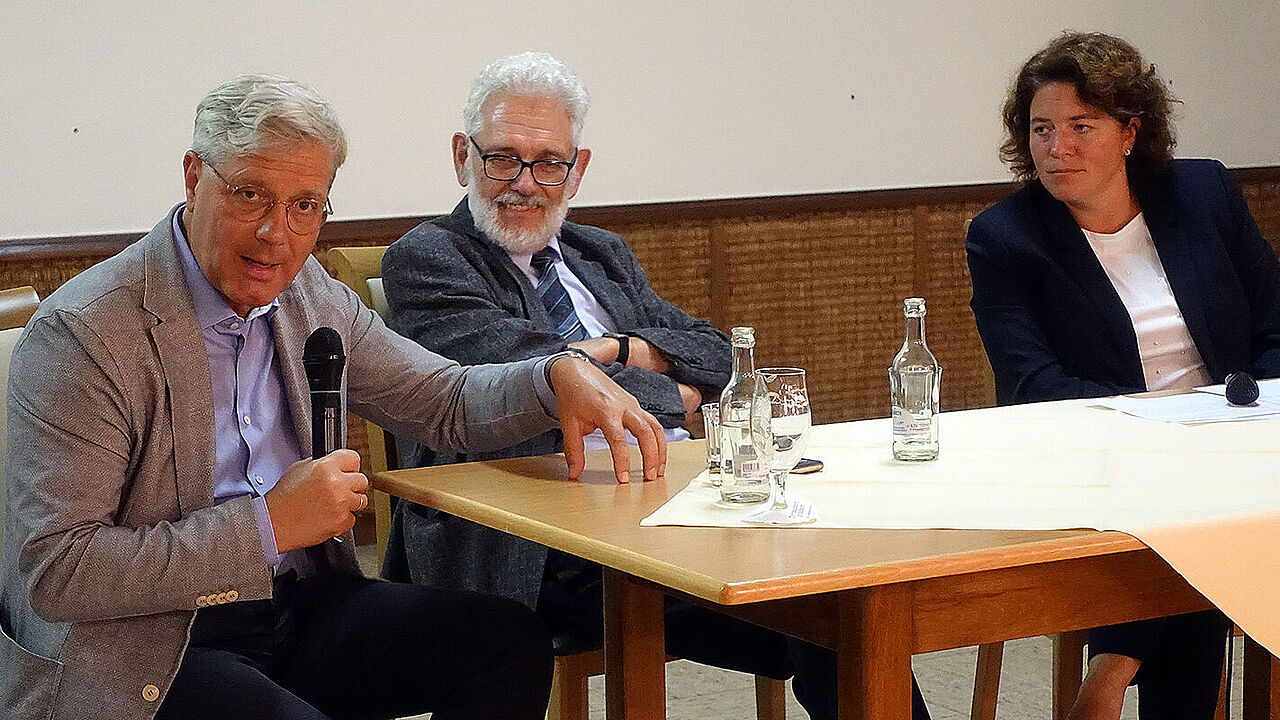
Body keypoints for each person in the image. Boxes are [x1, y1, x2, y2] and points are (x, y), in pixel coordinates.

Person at [0, 73, 668, 720]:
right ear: (193, 177)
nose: (276, 233)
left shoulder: (307, 294)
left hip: (294, 606)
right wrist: (268, 525)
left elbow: (442, 399)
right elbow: (58, 570)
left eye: (304, 206)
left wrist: (553, 376)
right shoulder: (86, 334)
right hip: (148, 645)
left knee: (507, 643)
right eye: (251, 195)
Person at [380, 51, 930, 720]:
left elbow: (723, 355)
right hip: (534, 533)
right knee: (817, 608)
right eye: (503, 159)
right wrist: (677, 393)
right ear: (462, 156)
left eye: (549, 162)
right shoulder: (427, 258)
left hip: (670, 495)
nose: (525, 183)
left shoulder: (600, 252)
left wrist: (623, 347)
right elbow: (538, 380)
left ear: (578, 169)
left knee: (844, 595)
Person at [966, 32, 1280, 720]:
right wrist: (1164, 427)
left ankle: (1113, 666)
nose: (1057, 147)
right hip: (1101, 453)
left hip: (1235, 433)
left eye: (1081, 127)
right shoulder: (1005, 236)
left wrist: (1252, 410)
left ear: (1131, 132)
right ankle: (1135, 678)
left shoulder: (1203, 192)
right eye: (1041, 129)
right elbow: (1031, 385)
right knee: (1198, 504)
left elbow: (1275, 320)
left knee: (1211, 495)